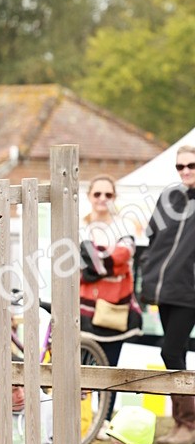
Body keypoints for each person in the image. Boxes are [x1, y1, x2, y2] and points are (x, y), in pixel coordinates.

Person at [139, 146, 195, 444]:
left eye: (192, 165)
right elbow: (152, 239)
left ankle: (187, 424)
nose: (186, 170)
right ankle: (182, 424)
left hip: (189, 291)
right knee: (177, 352)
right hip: (165, 289)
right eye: (180, 166)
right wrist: (147, 273)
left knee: (170, 351)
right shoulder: (169, 197)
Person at [79, 174, 143, 427]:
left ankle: (104, 421)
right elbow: (78, 267)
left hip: (115, 310)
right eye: (98, 194)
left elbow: (123, 257)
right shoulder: (78, 227)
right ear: (89, 197)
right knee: (82, 366)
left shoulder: (124, 226)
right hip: (83, 309)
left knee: (109, 368)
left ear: (115, 197)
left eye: (108, 194)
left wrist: (92, 261)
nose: (103, 199)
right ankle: (82, 421)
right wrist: (103, 264)